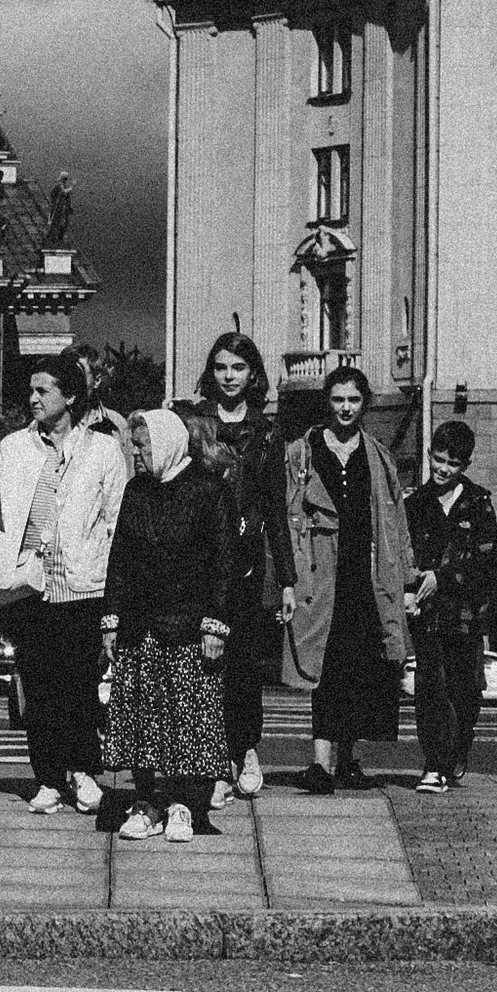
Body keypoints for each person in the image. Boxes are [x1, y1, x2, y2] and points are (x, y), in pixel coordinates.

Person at [0, 349, 131, 817]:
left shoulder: (102, 450)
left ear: (70, 396)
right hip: (28, 587)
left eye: (44, 391)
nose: (33, 399)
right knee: (38, 685)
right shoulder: (13, 448)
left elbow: (117, 520)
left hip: (82, 586)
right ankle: (49, 778)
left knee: (78, 684)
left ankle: (83, 771)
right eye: (31, 390)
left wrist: (106, 573)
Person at [100, 409, 236, 842]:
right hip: (140, 628)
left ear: (167, 444)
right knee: (143, 717)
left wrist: (215, 625)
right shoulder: (136, 491)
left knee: (188, 719)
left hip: (190, 627)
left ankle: (185, 805)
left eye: (142, 445)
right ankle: (146, 803)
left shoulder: (209, 490)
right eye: (133, 445)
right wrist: (111, 620)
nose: (135, 453)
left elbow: (223, 564)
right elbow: (119, 559)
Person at [283, 363, 412, 791]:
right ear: (327, 401)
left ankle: (347, 758)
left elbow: (395, 520)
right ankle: (320, 762)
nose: (345, 408)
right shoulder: (302, 451)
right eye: (338, 399)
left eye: (354, 400)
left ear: (365, 403)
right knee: (324, 666)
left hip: (364, 575)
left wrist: (403, 577)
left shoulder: (378, 455)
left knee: (359, 667)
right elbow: (290, 514)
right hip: (321, 574)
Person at [193, 330, 292, 797]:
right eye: (221, 367)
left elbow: (276, 508)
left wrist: (287, 580)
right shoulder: (193, 424)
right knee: (202, 663)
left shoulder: (269, 430)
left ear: (253, 374)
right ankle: (211, 761)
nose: (229, 376)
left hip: (249, 563)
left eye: (237, 368)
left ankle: (246, 750)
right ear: (210, 372)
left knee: (243, 663)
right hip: (201, 560)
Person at [405, 418, 497, 793]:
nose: (443, 469)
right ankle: (434, 764)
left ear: (466, 466)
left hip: (467, 616)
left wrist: (441, 578)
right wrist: (410, 587)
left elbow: (485, 561)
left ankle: (457, 752)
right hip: (427, 615)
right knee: (431, 686)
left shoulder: (478, 504)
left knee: (464, 688)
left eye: (453, 463)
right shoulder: (416, 503)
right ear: (429, 454)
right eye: (438, 459)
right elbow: (404, 554)